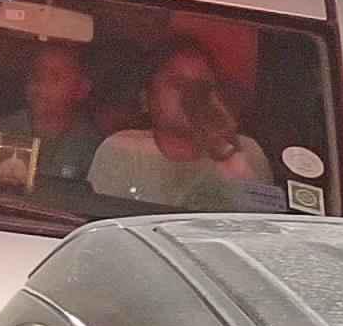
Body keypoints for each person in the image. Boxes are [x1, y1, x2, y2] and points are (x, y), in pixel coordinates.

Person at [86, 44, 272, 208]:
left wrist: (226, 151)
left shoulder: (248, 152)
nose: (191, 94)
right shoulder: (123, 150)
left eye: (202, 85)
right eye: (178, 83)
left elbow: (265, 225)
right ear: (146, 99)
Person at [0, 41, 102, 185]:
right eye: (36, 75)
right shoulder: (5, 130)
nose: (41, 84)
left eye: (54, 77)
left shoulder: (90, 146)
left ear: (81, 89)